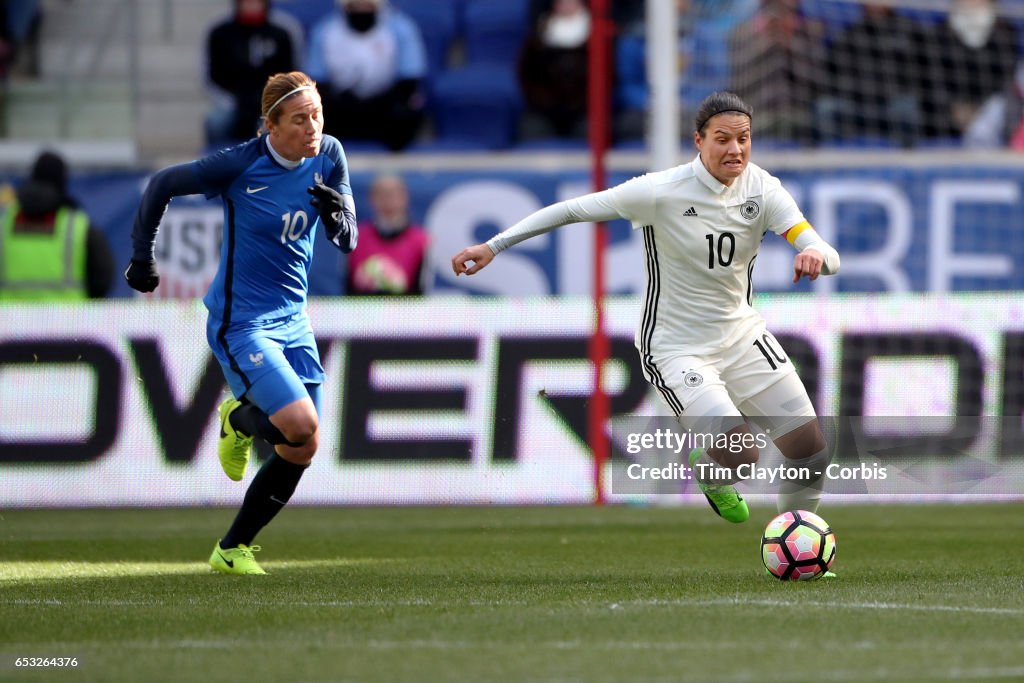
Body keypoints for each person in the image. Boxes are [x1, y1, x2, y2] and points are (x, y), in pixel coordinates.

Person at [452, 92, 841, 540]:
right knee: (742, 451)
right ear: (698, 141)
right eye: (722, 139)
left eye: (744, 139)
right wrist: (493, 246)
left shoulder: (764, 189)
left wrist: (813, 252)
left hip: (742, 336)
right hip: (677, 349)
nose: (735, 150)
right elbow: (573, 209)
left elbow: (823, 250)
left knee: (810, 449)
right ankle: (711, 472)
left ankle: (797, 542)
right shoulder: (660, 192)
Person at [123, 71, 358, 575]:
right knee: (301, 424)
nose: (312, 127)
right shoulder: (241, 164)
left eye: (317, 114)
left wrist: (339, 216)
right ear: (270, 125)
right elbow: (163, 183)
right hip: (243, 322)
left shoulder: (330, 154)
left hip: (294, 320)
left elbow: (349, 241)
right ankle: (237, 418)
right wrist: (142, 259)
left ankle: (231, 549)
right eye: (299, 119)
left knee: (303, 446)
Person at [305, 0, 427, 151]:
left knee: (408, 109)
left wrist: (378, 101)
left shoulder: (401, 28)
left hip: (385, 106)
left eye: (366, 5)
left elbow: (409, 79)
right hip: (341, 108)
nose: (361, 9)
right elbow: (318, 81)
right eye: (355, 5)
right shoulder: (324, 31)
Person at [0, 150, 113, 300]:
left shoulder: (5, 223)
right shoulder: (78, 226)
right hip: (67, 321)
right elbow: (102, 280)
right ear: (62, 181)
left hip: (10, 321)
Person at [814, 4, 931, 147]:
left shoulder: (909, 31)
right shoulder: (850, 33)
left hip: (892, 104)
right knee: (825, 108)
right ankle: (831, 160)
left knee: (908, 108)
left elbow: (924, 72)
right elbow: (833, 73)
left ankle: (910, 161)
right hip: (855, 104)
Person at [204, 0, 303, 145]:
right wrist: (234, 102)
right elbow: (210, 77)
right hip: (231, 101)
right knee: (216, 122)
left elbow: (293, 76)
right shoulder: (219, 31)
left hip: (271, 102)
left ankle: (276, 164)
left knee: (277, 124)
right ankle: (219, 162)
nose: (251, 5)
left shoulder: (284, 30)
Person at [729, 0, 826, 145]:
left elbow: (818, 82)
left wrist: (789, 45)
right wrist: (765, 45)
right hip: (757, 113)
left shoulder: (811, 31)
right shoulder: (741, 33)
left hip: (801, 113)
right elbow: (738, 83)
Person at [923, 0, 1020, 141]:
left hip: (990, 112)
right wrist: (955, 108)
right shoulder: (940, 32)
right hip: (949, 113)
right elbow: (934, 78)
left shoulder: (1005, 31)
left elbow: (1006, 78)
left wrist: (980, 110)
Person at [518, 0, 591, 140]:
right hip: (544, 111)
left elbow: (606, 78)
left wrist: (578, 104)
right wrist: (546, 102)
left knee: (592, 129)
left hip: (583, 111)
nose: (565, 3)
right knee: (531, 129)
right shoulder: (538, 36)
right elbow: (527, 76)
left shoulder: (596, 35)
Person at [346, 173, 429, 296]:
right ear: (372, 198)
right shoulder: (356, 237)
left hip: (404, 311)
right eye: (382, 194)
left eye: (393, 194)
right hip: (363, 311)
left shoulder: (420, 241)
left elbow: (422, 291)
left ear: (405, 198)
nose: (388, 200)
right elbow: (347, 288)